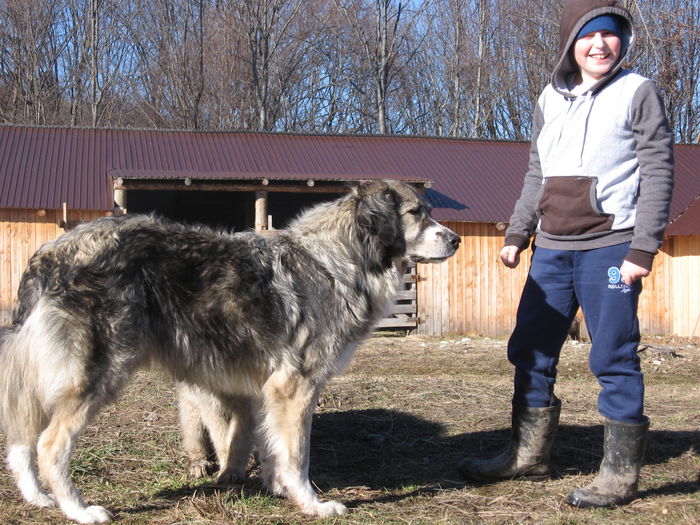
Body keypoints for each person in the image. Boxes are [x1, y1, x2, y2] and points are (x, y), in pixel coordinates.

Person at [458, 0, 674, 509]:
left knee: (613, 353)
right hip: (551, 252)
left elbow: (660, 170)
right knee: (531, 348)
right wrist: (517, 234)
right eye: (589, 35)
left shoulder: (635, 91)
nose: (600, 45)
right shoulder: (549, 100)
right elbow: (538, 173)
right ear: (571, 43)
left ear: (623, 42)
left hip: (613, 250)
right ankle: (528, 456)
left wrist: (643, 248)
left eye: (611, 35)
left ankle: (619, 475)